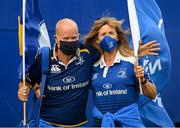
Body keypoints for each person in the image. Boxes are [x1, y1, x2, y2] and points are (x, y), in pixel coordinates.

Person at [18, 18, 159, 127]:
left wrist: (137, 56)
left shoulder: (94, 55)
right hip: (48, 123)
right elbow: (27, 80)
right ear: (56, 39)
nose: (70, 41)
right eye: (66, 39)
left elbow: (151, 94)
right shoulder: (47, 58)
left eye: (74, 38)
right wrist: (29, 88)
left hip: (87, 124)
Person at [84, 17, 157, 127]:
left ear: (117, 37)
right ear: (97, 40)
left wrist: (142, 80)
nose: (107, 37)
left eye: (111, 33)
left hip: (128, 123)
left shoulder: (132, 61)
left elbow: (152, 94)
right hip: (101, 124)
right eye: (103, 34)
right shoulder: (92, 66)